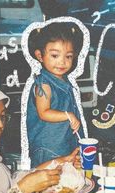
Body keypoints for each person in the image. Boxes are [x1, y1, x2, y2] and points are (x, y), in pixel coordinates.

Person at [27, 22, 85, 168]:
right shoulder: (44, 85)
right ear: (40, 56)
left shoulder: (63, 81)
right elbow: (44, 112)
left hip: (64, 143)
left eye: (69, 56)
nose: (62, 62)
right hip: (48, 148)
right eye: (54, 55)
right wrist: (68, 115)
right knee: (47, 183)